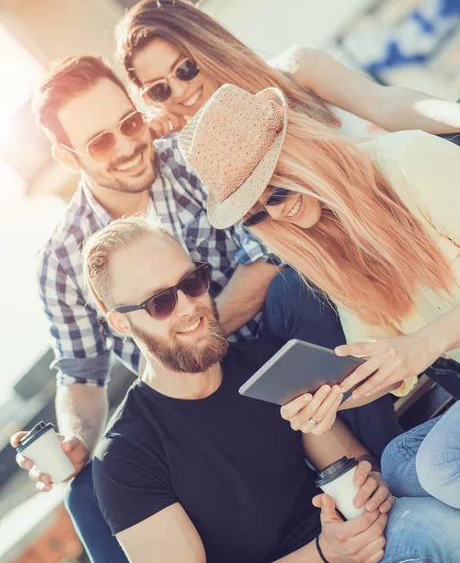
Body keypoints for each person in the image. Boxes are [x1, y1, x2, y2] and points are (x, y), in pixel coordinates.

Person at [8, 55, 338, 563]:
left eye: (129, 122)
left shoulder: (192, 159)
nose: (126, 146)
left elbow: (268, 260)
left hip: (266, 347)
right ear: (69, 157)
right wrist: (74, 441)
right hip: (183, 409)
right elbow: (80, 374)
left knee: (296, 291)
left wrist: (191, 326)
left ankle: (382, 472)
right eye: (99, 142)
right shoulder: (59, 261)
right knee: (90, 491)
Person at [87, 214, 460, 563]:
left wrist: (369, 485)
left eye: (191, 283)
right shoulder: (123, 459)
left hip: (358, 542)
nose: (188, 307)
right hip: (329, 553)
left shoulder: (267, 368)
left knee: (430, 506)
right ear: (121, 322)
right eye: (160, 302)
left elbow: (350, 462)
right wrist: (323, 554)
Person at [178, 82, 460, 504]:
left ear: (300, 147)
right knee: (399, 463)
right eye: (258, 212)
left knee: (436, 466)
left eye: (277, 189)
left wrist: (422, 344)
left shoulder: (408, 161)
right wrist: (330, 403)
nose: (278, 212)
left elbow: (413, 351)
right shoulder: (327, 247)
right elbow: (383, 363)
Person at [115, 0, 460, 141]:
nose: (179, 91)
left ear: (208, 46)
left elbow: (383, 103)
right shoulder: (199, 157)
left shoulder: (296, 69)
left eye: (185, 68)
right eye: (159, 89)